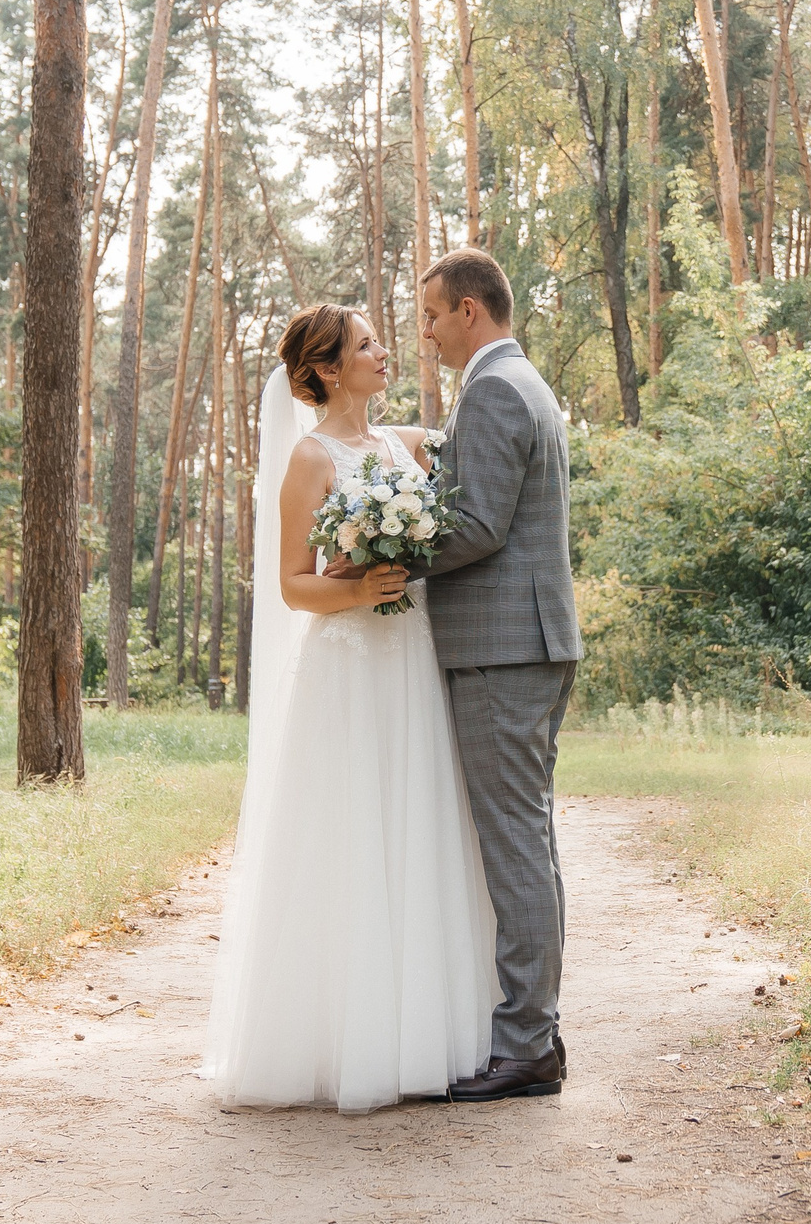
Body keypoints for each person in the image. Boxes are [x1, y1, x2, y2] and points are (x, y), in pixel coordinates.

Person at [201, 304, 497, 1113]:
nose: (384, 350)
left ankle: (423, 1035)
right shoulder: (309, 458)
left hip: (410, 659)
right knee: (348, 835)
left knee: (415, 824)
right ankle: (341, 1039)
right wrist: (361, 588)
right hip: (348, 665)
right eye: (367, 344)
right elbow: (293, 584)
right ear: (329, 369)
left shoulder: (407, 446)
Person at [413, 248, 583, 1102]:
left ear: (470, 310)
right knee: (531, 838)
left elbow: (476, 524)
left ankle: (525, 1042)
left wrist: (387, 555)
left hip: (502, 647)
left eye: (433, 316)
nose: (428, 335)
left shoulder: (491, 391)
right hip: (531, 642)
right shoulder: (526, 384)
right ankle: (536, 1031)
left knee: (516, 843)